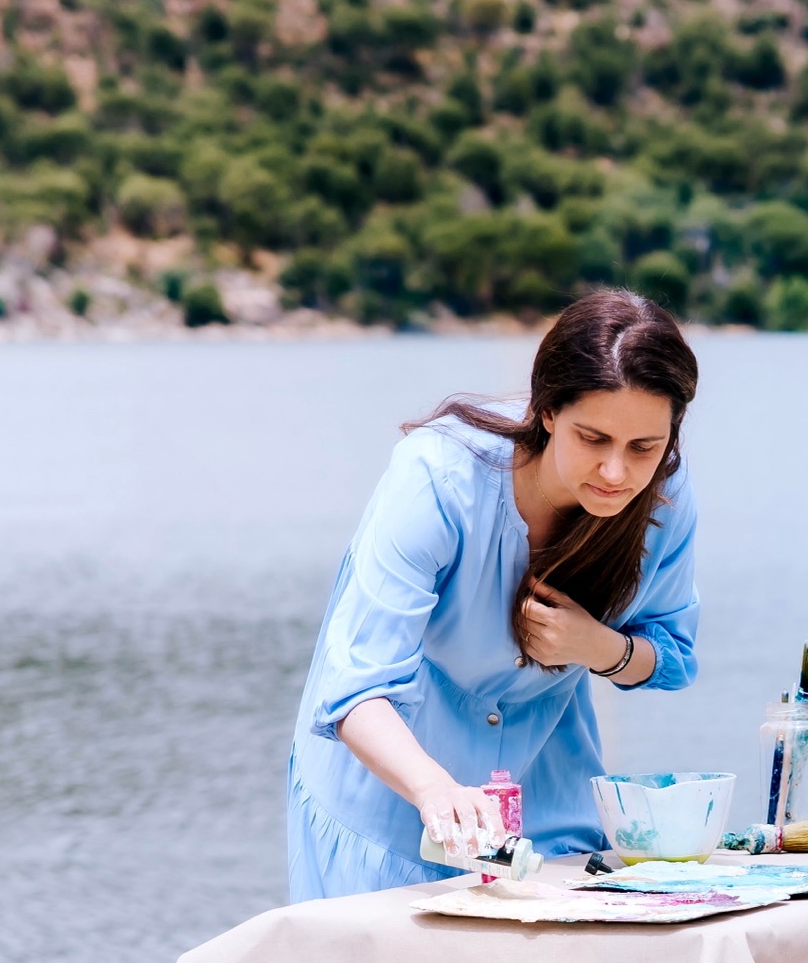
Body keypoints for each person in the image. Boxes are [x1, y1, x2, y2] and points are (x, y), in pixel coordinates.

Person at [287, 289, 699, 897]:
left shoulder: (663, 495)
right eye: (593, 439)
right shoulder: (437, 477)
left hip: (548, 817)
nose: (617, 473)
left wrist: (598, 647)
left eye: (643, 446)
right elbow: (354, 690)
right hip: (390, 809)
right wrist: (436, 791)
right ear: (548, 411)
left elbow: (674, 658)